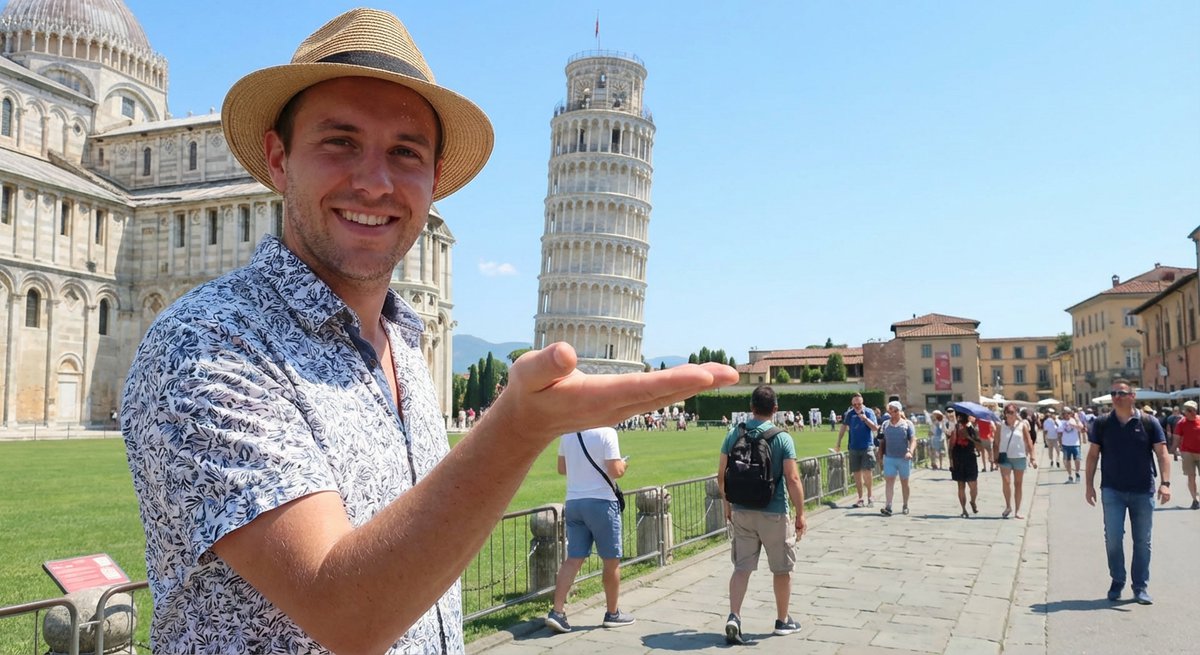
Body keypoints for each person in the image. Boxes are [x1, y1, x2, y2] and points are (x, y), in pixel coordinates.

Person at [119, 9, 738, 654]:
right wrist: (517, 427)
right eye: (340, 141)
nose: (375, 181)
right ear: (278, 157)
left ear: (434, 180)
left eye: (405, 152)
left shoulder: (405, 347)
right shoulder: (205, 345)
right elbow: (347, 615)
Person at [718, 385, 805, 644]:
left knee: (742, 567)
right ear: (775, 409)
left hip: (742, 509)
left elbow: (721, 474)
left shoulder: (734, 433)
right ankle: (782, 620)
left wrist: (727, 504)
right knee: (781, 569)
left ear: (750, 406)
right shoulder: (782, 438)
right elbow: (792, 478)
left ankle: (734, 615)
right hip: (774, 511)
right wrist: (801, 513)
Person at [1085, 379, 1170, 605]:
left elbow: (1162, 454)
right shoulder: (1102, 423)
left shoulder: (1149, 422)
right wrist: (1088, 485)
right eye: (1113, 393)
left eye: (1121, 393)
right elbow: (1093, 455)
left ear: (1133, 396)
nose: (1116, 397)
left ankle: (1140, 586)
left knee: (1142, 541)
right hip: (1112, 489)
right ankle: (1117, 580)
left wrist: (1166, 483)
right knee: (1113, 538)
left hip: (1143, 490)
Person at [545, 427, 633, 633]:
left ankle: (557, 611)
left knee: (573, 558)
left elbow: (561, 468)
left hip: (574, 502)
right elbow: (615, 470)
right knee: (611, 560)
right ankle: (613, 613)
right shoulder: (607, 432)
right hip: (602, 502)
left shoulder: (568, 433)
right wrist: (624, 464)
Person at [836, 393, 879, 507]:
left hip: (867, 446)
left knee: (867, 471)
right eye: (854, 405)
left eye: (859, 404)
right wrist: (838, 443)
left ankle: (870, 495)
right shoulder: (850, 414)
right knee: (856, 473)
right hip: (853, 447)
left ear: (862, 402)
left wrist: (865, 419)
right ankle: (860, 497)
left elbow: (875, 427)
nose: (857, 407)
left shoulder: (869, 412)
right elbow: (843, 428)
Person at [996, 404, 1038, 518]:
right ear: (1004, 414)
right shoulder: (1000, 426)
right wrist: (994, 457)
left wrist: (1033, 457)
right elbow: (996, 442)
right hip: (1004, 457)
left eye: (1012, 412)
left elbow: (1029, 441)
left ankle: (1017, 510)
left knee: (1018, 484)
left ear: (1016, 413)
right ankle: (1008, 506)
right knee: (1006, 481)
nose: (1010, 414)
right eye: (1008, 412)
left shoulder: (1022, 425)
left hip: (1019, 457)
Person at [877, 401, 916, 516]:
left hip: (903, 458)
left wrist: (910, 452)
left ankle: (905, 504)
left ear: (899, 411)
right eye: (891, 410)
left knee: (905, 482)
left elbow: (913, 440)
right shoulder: (885, 424)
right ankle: (888, 506)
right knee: (889, 481)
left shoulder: (907, 424)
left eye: (895, 410)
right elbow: (882, 441)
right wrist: (880, 453)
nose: (893, 413)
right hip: (889, 457)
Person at [949, 411, 981, 517]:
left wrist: (968, 437)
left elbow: (979, 445)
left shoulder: (972, 429)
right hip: (959, 458)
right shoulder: (955, 429)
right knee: (961, 485)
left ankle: (972, 501)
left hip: (969, 457)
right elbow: (951, 447)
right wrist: (951, 462)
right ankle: (963, 509)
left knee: (973, 485)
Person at [1175, 400, 1200, 509]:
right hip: (1187, 452)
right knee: (1191, 477)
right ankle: (1195, 500)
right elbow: (1177, 438)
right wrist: (1174, 450)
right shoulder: (1181, 423)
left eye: (1192, 410)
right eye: (1188, 410)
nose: (1190, 412)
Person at [1059, 407, 1086, 483]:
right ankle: (1070, 476)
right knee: (1067, 461)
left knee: (1077, 459)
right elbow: (1059, 432)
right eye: (1064, 413)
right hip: (1065, 444)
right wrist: (1060, 444)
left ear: (1071, 414)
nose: (1066, 415)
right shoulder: (1061, 422)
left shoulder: (1075, 420)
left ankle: (1077, 473)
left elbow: (1081, 428)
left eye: (1068, 413)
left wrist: (1075, 423)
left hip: (1075, 444)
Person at [978, 403, 998, 472]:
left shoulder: (979, 419)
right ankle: (991, 466)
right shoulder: (989, 420)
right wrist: (992, 433)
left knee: (983, 453)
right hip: (989, 438)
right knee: (990, 452)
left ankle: (984, 467)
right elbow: (994, 428)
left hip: (982, 437)